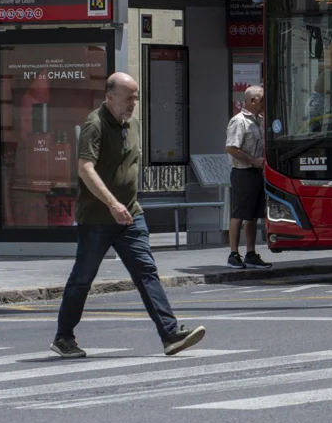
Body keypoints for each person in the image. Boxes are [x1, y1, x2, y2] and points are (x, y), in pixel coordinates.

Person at [51, 72, 205, 359]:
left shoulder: (133, 123)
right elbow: (85, 168)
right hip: (98, 216)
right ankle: (64, 337)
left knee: (146, 272)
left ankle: (170, 334)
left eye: (135, 97)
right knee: (82, 278)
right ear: (110, 97)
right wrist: (111, 202)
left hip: (131, 214)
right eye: (128, 98)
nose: (133, 103)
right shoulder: (94, 124)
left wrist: (124, 204)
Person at [224, 84, 273, 269]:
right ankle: (233, 254)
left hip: (257, 173)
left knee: (253, 215)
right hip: (243, 172)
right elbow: (230, 147)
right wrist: (252, 160)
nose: (263, 104)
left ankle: (250, 253)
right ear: (252, 100)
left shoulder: (259, 120)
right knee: (239, 213)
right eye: (261, 100)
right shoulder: (239, 121)